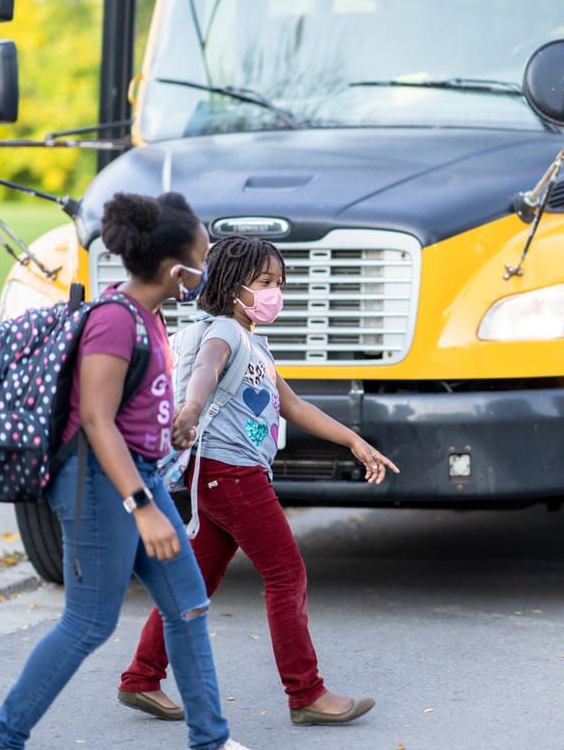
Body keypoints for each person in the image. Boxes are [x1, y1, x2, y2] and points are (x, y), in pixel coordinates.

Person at [0, 192, 247, 750]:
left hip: (136, 472)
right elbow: (97, 421)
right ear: (177, 271)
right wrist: (143, 510)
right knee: (88, 623)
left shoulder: (149, 316)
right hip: (99, 484)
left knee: (188, 605)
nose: (209, 264)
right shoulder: (114, 322)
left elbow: (127, 409)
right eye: (204, 255)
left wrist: (166, 428)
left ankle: (210, 740)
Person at [116, 235, 400, 727]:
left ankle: (141, 677)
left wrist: (355, 441)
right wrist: (193, 407)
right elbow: (205, 368)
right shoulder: (223, 331)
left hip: (220, 478)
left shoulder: (253, 344)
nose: (276, 293)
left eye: (280, 284)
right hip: (232, 476)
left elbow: (294, 405)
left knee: (196, 582)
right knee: (287, 575)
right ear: (231, 287)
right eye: (266, 283)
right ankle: (306, 693)